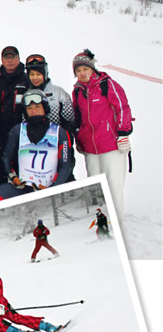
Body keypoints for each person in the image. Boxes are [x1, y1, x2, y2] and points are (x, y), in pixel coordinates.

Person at [71, 49, 133, 222]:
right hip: (91, 148)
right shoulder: (77, 91)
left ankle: (117, 223)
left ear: (92, 69)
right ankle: (102, 223)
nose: (82, 73)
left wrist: (123, 134)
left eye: (85, 69)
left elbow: (122, 108)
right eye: (78, 70)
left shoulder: (107, 85)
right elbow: (78, 118)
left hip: (111, 145)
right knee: (95, 188)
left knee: (114, 185)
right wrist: (79, 139)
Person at [0, 89, 73, 202]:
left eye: (37, 107)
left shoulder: (59, 132)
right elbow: (6, 157)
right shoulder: (17, 130)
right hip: (23, 187)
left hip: (49, 188)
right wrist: (13, 177)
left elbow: (66, 166)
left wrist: (53, 188)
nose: (34, 111)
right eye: (29, 108)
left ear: (45, 108)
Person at [0, 45, 31, 187]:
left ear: (18, 59)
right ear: (2, 60)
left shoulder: (26, 80)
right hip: (0, 132)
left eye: (13, 57)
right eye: (6, 58)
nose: (10, 61)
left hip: (21, 132)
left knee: (19, 165)